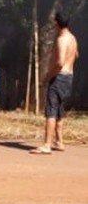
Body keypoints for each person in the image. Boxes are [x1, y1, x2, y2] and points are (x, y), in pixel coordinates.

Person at [30, 11, 79, 155]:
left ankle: (47, 145)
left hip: (59, 77)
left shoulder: (61, 39)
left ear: (57, 23)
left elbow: (59, 63)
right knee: (59, 110)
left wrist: (47, 76)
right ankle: (59, 141)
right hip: (68, 76)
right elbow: (76, 54)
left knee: (51, 111)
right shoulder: (73, 38)